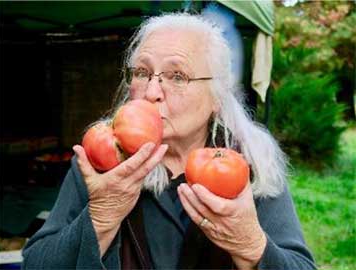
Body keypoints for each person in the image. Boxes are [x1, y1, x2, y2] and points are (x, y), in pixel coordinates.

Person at [22, 13, 316, 269]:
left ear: (216, 96)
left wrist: (251, 246)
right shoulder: (98, 161)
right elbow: (37, 263)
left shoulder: (250, 163)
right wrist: (100, 219)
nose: (152, 92)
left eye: (177, 76)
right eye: (141, 72)